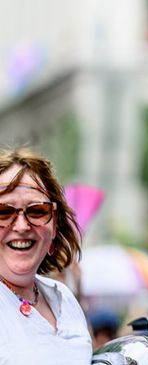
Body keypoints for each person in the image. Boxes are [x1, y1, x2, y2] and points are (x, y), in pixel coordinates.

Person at [0, 148, 91, 363]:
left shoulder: (64, 298)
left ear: (55, 223)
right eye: (4, 212)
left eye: (37, 211)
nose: (22, 226)